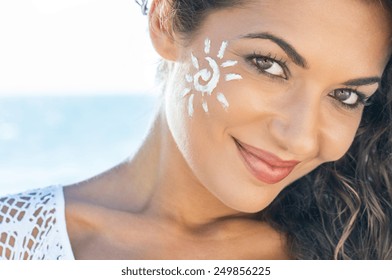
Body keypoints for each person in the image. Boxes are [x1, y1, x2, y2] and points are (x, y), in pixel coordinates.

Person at [1, 0, 392, 260]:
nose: (301, 138)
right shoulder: (14, 244)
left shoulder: (365, 248)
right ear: (166, 22)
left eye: (346, 95)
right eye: (268, 65)